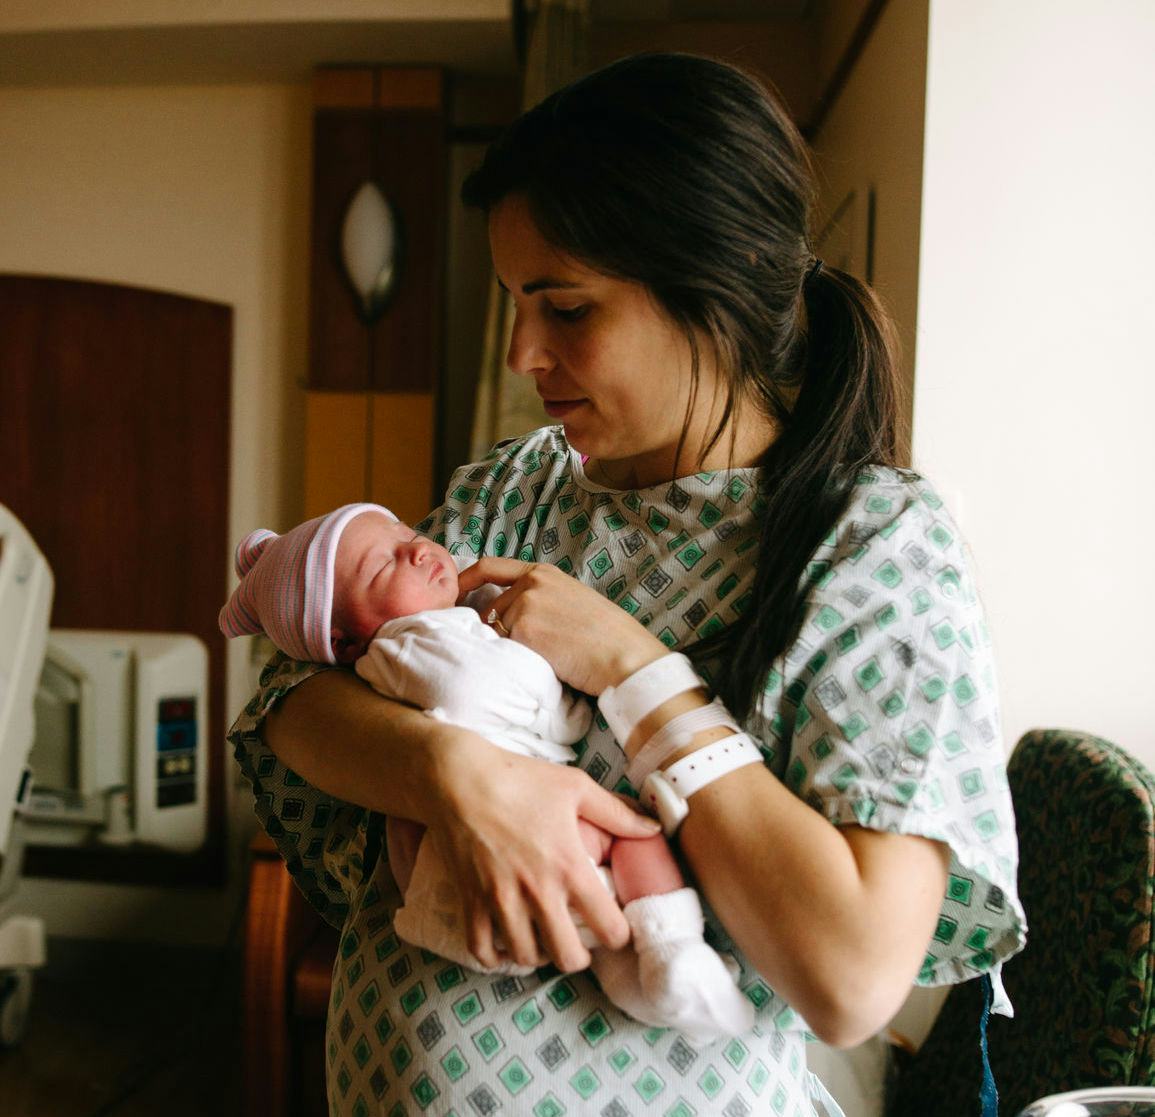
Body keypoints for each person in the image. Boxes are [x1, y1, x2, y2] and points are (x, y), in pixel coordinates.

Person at [228, 52, 1026, 1117]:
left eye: (565, 308)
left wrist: (637, 671)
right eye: (515, 303)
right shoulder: (513, 489)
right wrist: (460, 777)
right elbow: (293, 699)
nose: (521, 353)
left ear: (723, 279)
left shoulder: (869, 544)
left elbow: (852, 975)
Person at [219, 501, 754, 1043]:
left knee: (599, 932)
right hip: (485, 863)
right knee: (633, 834)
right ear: (344, 643)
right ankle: (673, 948)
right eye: (382, 565)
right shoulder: (416, 642)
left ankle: (646, 986)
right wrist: (567, 712)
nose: (417, 549)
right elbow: (493, 691)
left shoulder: (417, 638)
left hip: (465, 890)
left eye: (404, 531)